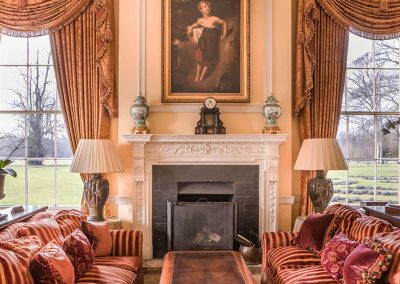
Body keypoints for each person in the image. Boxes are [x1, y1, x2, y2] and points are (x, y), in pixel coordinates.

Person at [187, 1, 227, 83]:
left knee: (209, 56)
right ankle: (197, 75)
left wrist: (224, 35)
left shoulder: (214, 18)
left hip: (212, 40)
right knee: (200, 55)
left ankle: (202, 76)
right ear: (200, 10)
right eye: (204, 6)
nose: (207, 8)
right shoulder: (200, 20)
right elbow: (196, 24)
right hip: (204, 39)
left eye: (208, 6)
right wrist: (191, 27)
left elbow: (224, 23)